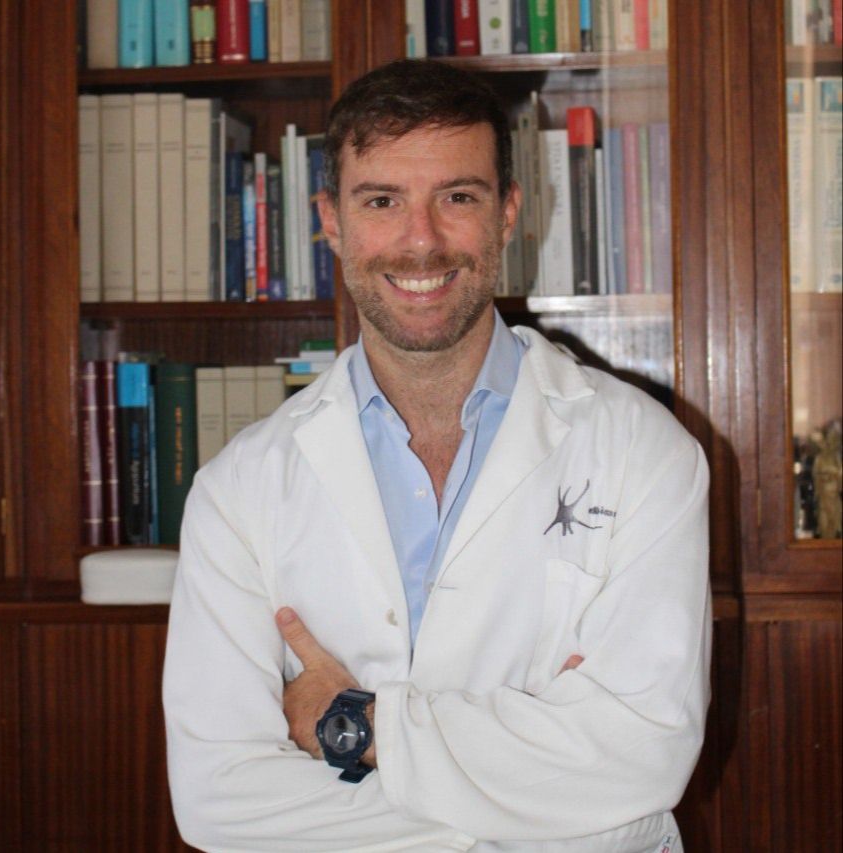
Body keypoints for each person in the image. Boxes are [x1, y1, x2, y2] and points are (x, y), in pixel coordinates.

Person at [163, 59, 711, 852]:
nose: (420, 241)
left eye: (457, 197)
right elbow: (219, 798)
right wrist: (537, 798)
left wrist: (356, 726)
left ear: (507, 212)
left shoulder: (644, 453)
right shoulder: (238, 489)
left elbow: (644, 755)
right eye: (381, 201)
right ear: (331, 219)